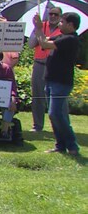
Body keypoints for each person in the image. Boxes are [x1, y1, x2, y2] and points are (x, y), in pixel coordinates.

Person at [34, 12, 81, 156]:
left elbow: (44, 43)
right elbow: (44, 40)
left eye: (62, 22)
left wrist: (39, 28)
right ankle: (60, 145)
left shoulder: (70, 39)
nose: (59, 24)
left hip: (61, 82)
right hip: (51, 80)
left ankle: (72, 145)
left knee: (56, 114)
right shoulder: (61, 37)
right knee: (53, 114)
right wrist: (38, 28)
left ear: (71, 25)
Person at [28, 7, 62, 132]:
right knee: (37, 96)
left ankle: (57, 126)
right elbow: (31, 44)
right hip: (39, 64)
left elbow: (48, 44)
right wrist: (38, 29)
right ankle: (37, 125)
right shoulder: (41, 26)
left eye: (56, 14)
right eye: (51, 14)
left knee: (54, 97)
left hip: (53, 66)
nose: (53, 16)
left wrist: (41, 36)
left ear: (60, 16)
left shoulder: (62, 30)